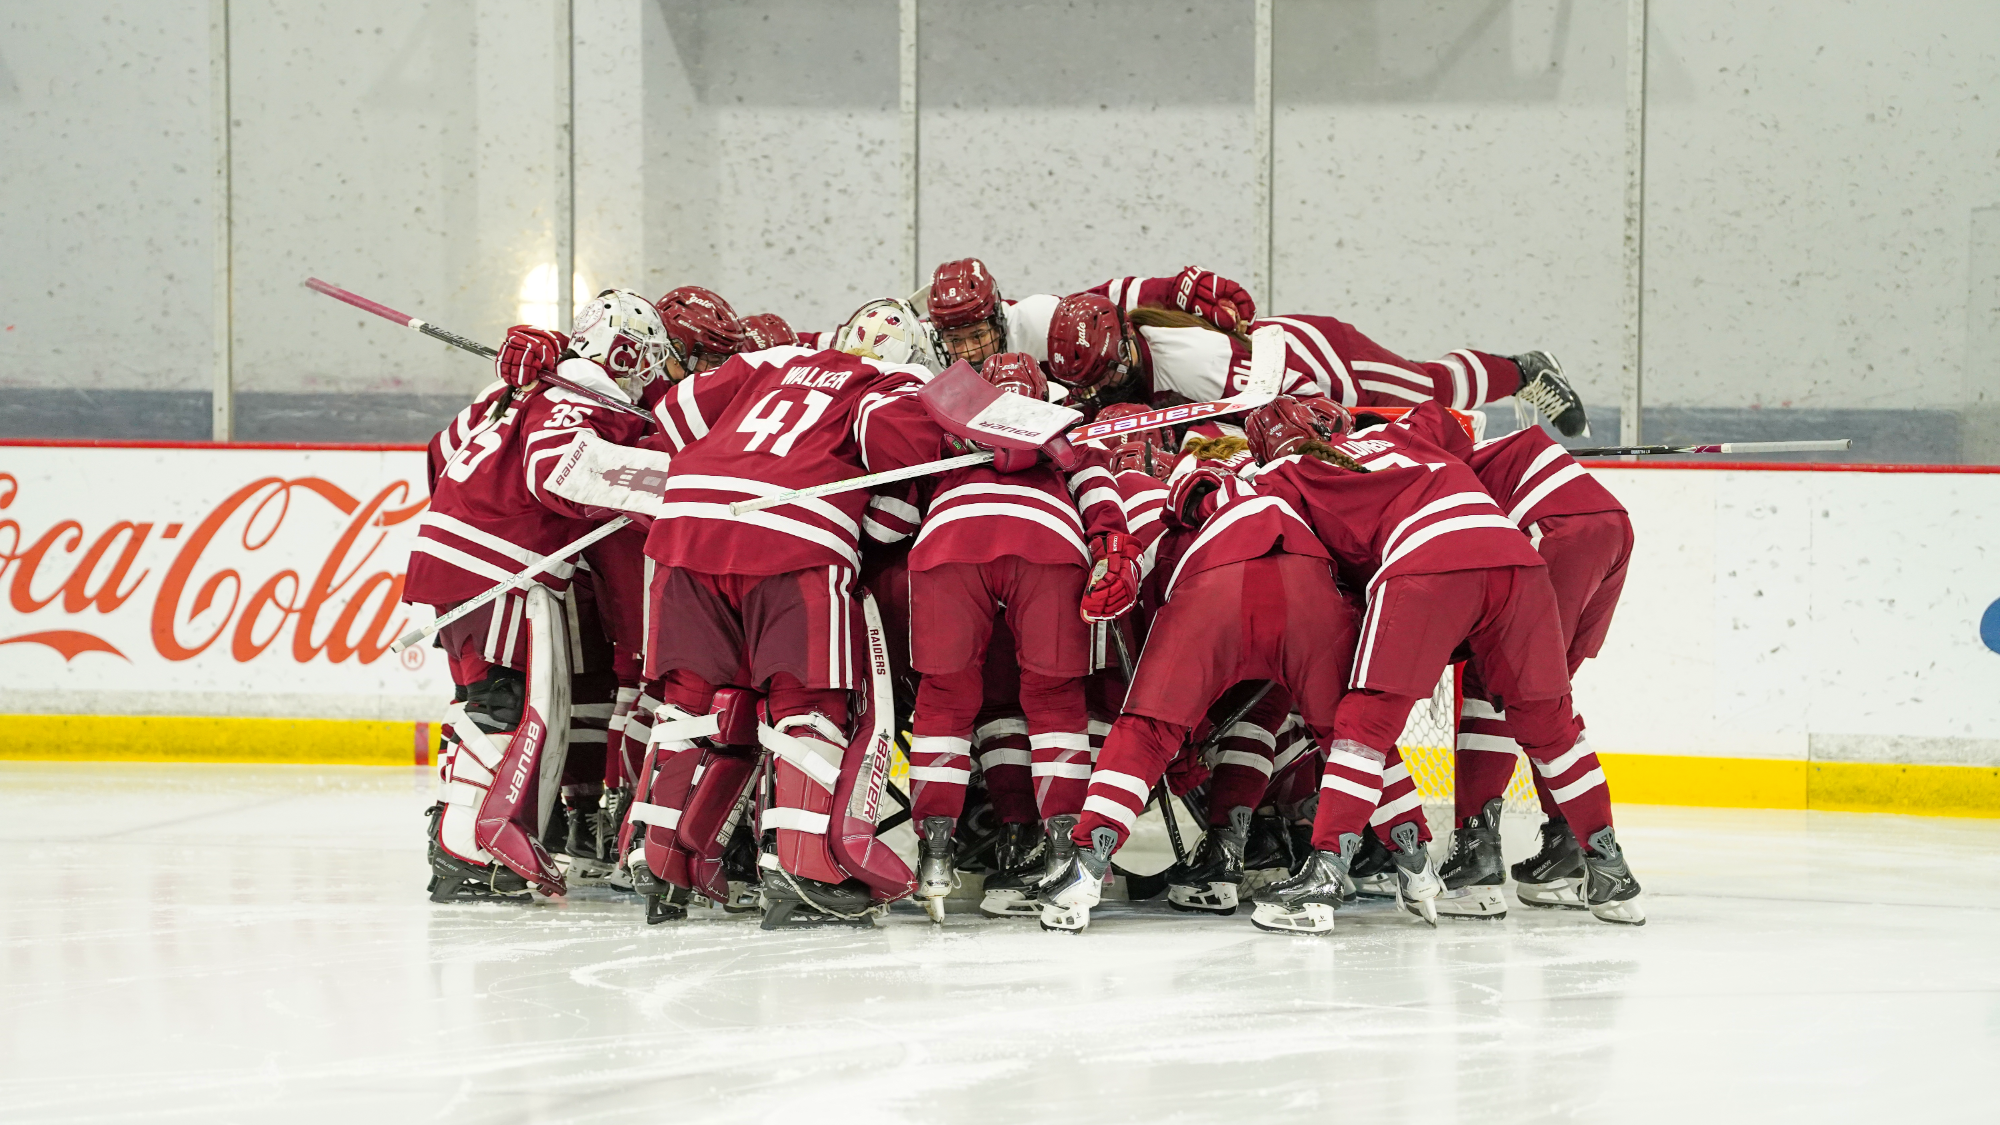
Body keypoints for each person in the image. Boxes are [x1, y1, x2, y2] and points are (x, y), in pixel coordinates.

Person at [627, 298, 1049, 928]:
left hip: (684, 529)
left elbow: (673, 416)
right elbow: (897, 484)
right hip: (795, 540)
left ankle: (659, 862)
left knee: (689, 703)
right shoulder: (888, 383)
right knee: (807, 707)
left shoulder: (773, 360)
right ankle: (801, 872)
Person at [1231, 397, 1643, 933]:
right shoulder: (1406, 437)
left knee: (1363, 721)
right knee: (1549, 722)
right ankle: (1610, 870)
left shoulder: (1277, 475)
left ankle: (1325, 873)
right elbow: (1449, 421)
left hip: (1427, 563)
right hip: (1516, 558)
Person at [1039, 420, 1359, 933]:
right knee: (1346, 731)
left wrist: (1181, 749)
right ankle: (1402, 866)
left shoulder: (1140, 497)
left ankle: (1084, 864)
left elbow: (1125, 639)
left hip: (1206, 594)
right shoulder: (1286, 485)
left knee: (1141, 724)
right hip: (1303, 591)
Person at [406, 290, 669, 902]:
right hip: (497, 566)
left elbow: (442, 452)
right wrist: (673, 484)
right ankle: (464, 850)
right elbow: (555, 470)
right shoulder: (572, 398)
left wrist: (512, 396)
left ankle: (457, 830)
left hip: (457, 560)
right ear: (624, 353)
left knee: (481, 697)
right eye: (647, 359)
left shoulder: (521, 392)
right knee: (497, 703)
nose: (651, 375)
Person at [1361, 406, 1636, 917]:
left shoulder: (1414, 467)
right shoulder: (1460, 456)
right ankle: (1568, 851)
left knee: (1498, 685)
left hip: (1551, 526)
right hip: (1611, 526)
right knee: (1544, 699)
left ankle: (1477, 860)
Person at [900, 352, 1137, 921]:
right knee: (1055, 702)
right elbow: (1103, 497)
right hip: (1050, 545)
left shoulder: (945, 430)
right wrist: (1109, 549)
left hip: (948, 543)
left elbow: (898, 508)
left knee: (944, 698)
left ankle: (935, 854)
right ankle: (1061, 853)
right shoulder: (1071, 429)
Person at [1044, 294, 1591, 436]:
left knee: (1431, 388)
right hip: (1285, 355)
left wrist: (1347, 424)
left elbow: (1289, 399)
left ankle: (1525, 369)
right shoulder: (1128, 340)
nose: (1108, 387)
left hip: (1326, 362)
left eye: (1111, 374)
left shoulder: (1191, 365)